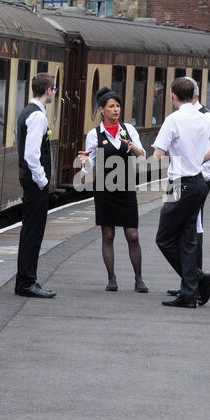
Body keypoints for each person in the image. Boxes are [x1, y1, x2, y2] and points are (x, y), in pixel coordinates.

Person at [152, 77, 210, 309]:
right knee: (188, 237)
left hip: (178, 183)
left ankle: (196, 278)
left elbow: (158, 153)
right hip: (198, 183)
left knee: (163, 238)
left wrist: (157, 154)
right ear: (193, 95)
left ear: (174, 96)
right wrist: (201, 157)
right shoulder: (204, 118)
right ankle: (188, 294)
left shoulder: (173, 119)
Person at [78, 87, 148, 293]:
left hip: (126, 187)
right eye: (111, 106)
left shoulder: (128, 129)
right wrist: (84, 161)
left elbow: (142, 155)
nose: (116, 110)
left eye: (117, 106)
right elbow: (88, 169)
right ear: (102, 109)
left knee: (132, 235)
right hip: (104, 189)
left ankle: (139, 279)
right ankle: (111, 278)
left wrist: (133, 147)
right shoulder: (94, 134)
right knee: (108, 234)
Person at [168, 77, 210, 298]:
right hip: (176, 180)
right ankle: (188, 282)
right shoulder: (180, 117)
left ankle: (196, 282)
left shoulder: (206, 117)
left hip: (193, 180)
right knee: (181, 230)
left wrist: (200, 175)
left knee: (192, 228)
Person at [15, 73, 58, 298]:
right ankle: (26, 283)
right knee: (33, 233)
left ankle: (24, 280)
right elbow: (31, 155)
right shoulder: (38, 117)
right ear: (48, 90)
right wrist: (42, 181)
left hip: (29, 180)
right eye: (54, 89)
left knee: (29, 231)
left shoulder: (26, 112)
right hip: (34, 183)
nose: (54, 93)